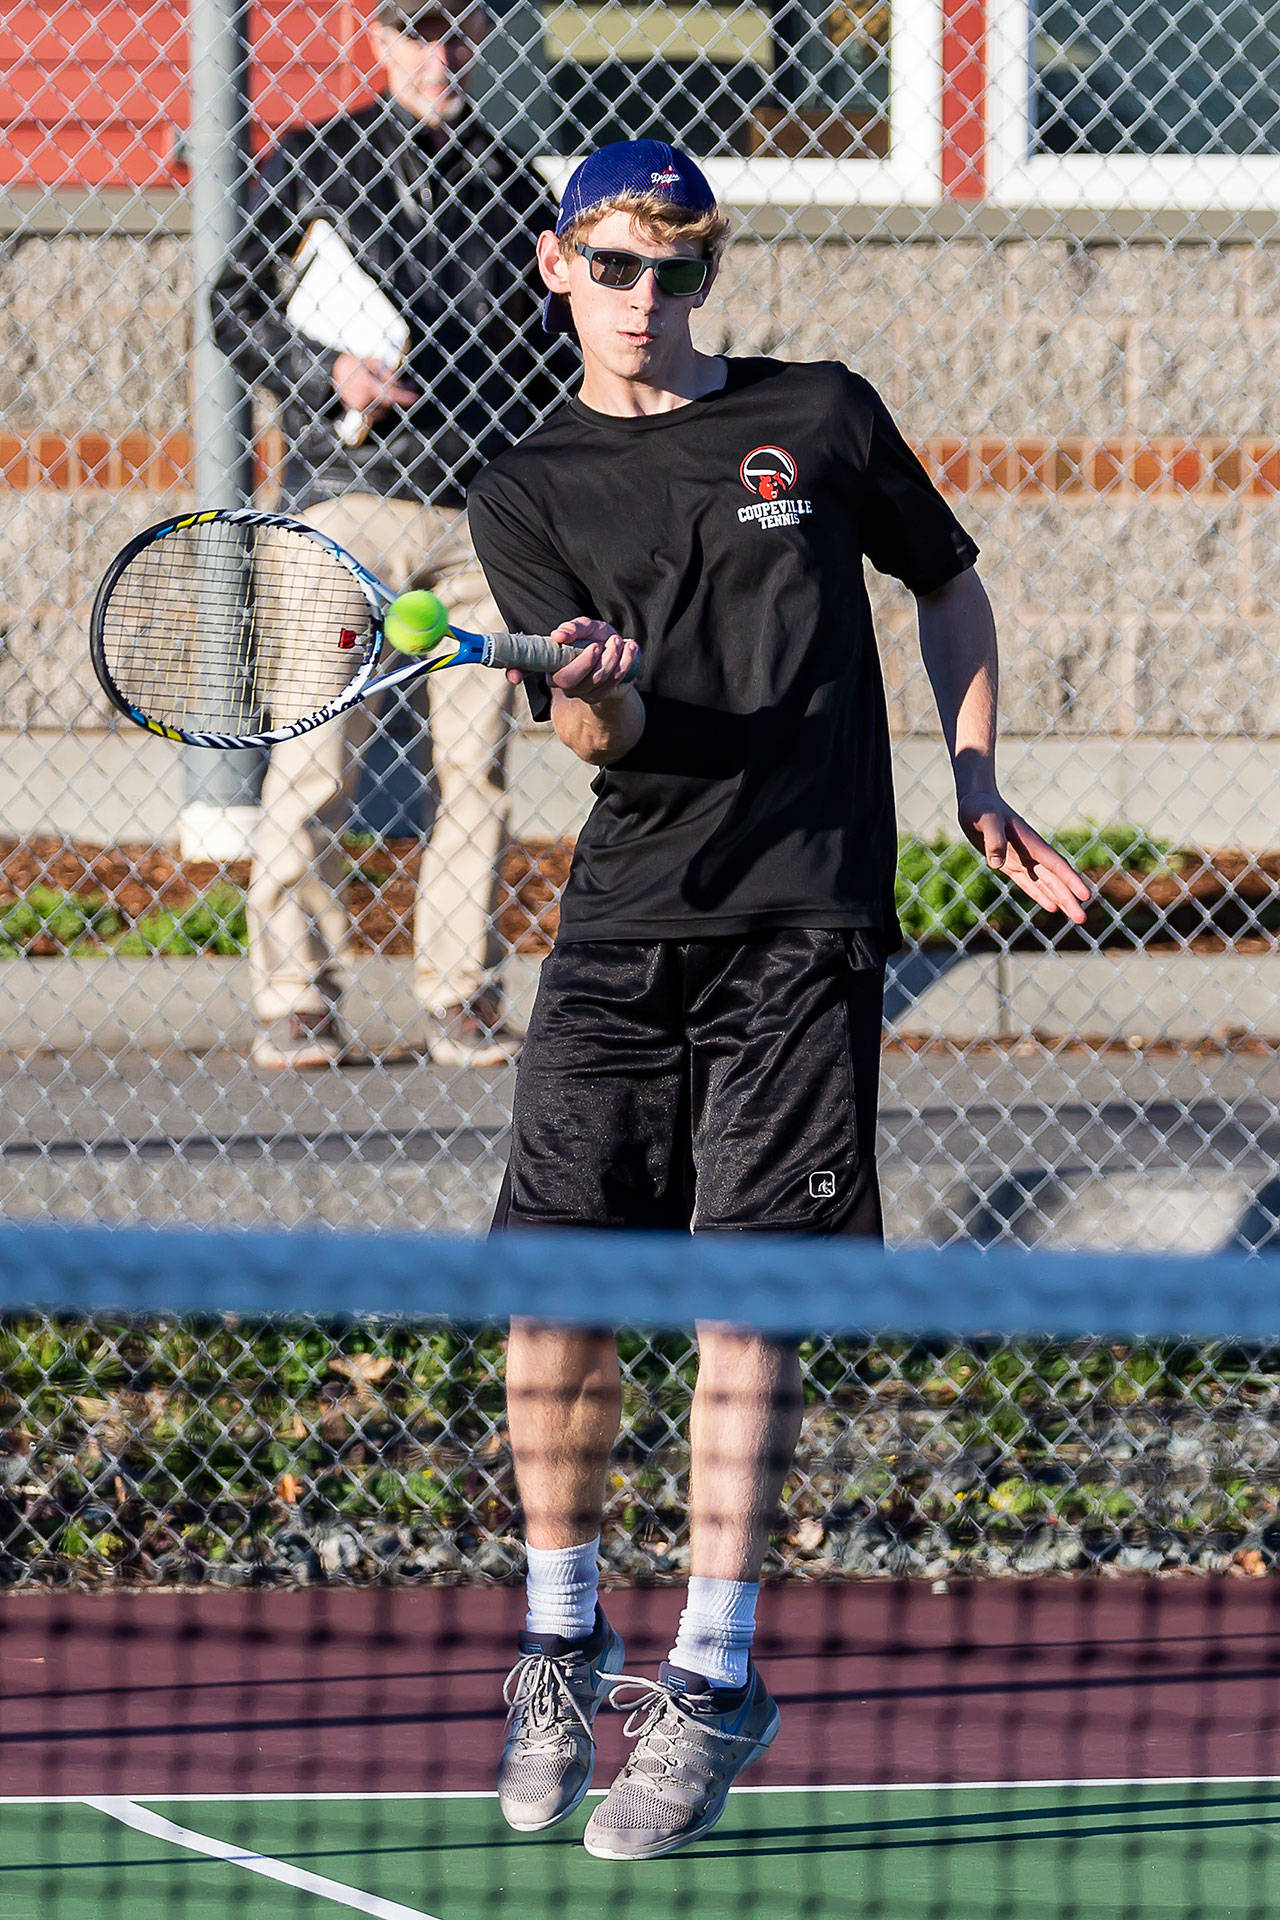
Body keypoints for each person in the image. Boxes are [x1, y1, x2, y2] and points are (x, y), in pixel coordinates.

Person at [468, 139, 1092, 1860]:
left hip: (806, 925)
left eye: (675, 272)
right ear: (557, 265)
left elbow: (946, 578)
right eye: (613, 267)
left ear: (707, 275)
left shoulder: (818, 415)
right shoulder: (523, 490)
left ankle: (714, 1673)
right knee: (556, 1298)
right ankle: (559, 1639)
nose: (644, 301)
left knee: (747, 1303)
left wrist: (977, 779)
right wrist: (593, 693)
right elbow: (597, 737)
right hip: (623, 928)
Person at [213, 0, 568, 1070]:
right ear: (373, 40)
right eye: (415, 32)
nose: (437, 55)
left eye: (455, 32)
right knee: (315, 759)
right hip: (346, 501)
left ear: (481, 39)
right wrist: (327, 372)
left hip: (477, 517)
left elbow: (554, 356)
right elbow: (234, 306)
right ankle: (295, 996)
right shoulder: (313, 160)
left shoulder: (516, 187)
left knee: (478, 769)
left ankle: (461, 997)